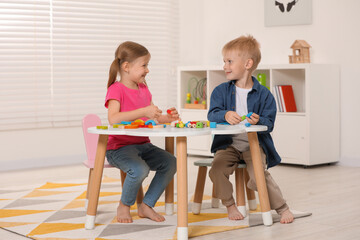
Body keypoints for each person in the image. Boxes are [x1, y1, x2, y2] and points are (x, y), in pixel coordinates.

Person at [207, 35, 294, 224]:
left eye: (229, 61)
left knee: (260, 176)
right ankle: (230, 205)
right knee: (216, 169)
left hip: (254, 145)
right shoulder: (220, 91)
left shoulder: (265, 95)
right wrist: (224, 115)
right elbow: (212, 114)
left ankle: (282, 208)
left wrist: (258, 120)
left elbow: (269, 123)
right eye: (224, 61)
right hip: (227, 145)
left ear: (248, 63)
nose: (225, 66)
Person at [105, 41, 179, 223]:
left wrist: (167, 118)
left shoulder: (144, 89)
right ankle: (124, 205)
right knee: (139, 169)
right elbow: (113, 118)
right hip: (119, 147)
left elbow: (150, 118)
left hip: (143, 145)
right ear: (127, 67)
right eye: (144, 65)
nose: (147, 70)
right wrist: (144, 111)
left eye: (148, 65)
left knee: (170, 162)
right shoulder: (116, 89)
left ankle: (146, 205)